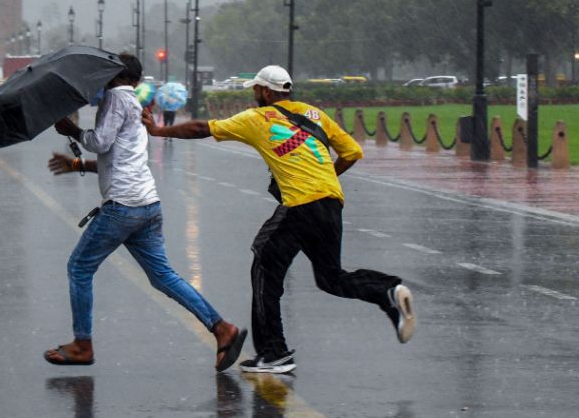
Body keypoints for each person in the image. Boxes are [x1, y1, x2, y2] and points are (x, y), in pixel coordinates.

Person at [142, 64, 415, 374]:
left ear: (267, 92)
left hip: (300, 205)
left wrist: (159, 131)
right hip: (331, 203)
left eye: (257, 90)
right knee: (331, 278)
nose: (255, 95)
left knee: (264, 265)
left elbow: (201, 128)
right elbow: (351, 152)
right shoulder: (314, 115)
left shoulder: (257, 118)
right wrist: (325, 178)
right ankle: (387, 291)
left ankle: (274, 353)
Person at [43, 52, 247, 371]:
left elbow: (100, 142)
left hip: (123, 207)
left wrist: (72, 130)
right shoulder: (135, 103)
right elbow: (120, 159)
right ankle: (222, 328)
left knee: (79, 267)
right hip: (147, 205)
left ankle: (83, 345)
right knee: (163, 276)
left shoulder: (114, 98)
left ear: (112, 75)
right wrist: (78, 164)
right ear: (136, 80)